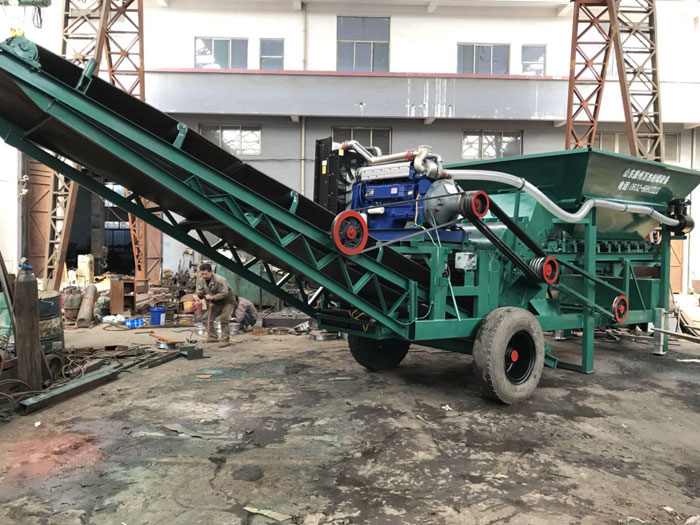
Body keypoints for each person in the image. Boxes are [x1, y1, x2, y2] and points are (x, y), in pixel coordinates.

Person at [195, 263, 236, 347]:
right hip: (216, 302)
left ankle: (225, 339)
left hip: (227, 301)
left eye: (206, 274)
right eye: (202, 274)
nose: (204, 276)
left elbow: (224, 293)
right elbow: (199, 289)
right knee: (205, 319)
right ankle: (213, 336)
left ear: (211, 272)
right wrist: (200, 294)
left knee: (224, 318)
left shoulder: (220, 280)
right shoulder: (202, 280)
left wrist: (212, 297)